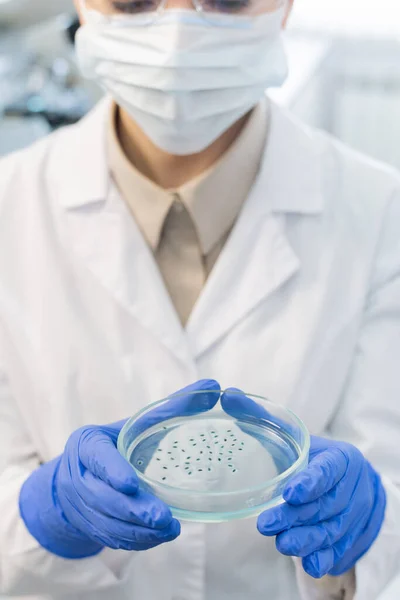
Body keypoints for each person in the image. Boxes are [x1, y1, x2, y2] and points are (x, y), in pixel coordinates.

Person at [0, 0, 399, 598]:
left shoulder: (381, 212)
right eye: (134, 0)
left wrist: (372, 522)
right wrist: (39, 518)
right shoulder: (11, 208)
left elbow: (391, 491)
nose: (177, 34)